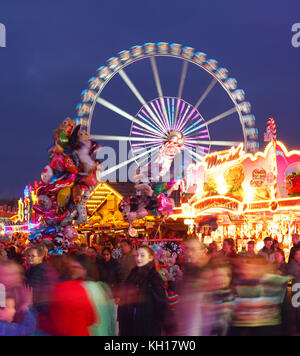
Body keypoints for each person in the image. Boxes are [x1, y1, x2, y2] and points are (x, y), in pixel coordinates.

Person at [118, 246, 167, 336]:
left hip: (147, 323)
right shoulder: (133, 273)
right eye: (137, 255)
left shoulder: (154, 277)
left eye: (142, 255)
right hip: (130, 321)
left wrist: (164, 324)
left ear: (150, 258)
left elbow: (161, 302)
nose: (139, 258)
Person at [43, 254, 97, 336]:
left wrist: (38, 319)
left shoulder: (56, 291)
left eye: (49, 270)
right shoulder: (80, 287)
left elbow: (59, 327)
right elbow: (91, 318)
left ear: (56, 271)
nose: (46, 274)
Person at [25, 246, 48, 312]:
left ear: (40, 258)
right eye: (28, 256)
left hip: (38, 307)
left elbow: (31, 289)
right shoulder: (33, 268)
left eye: (33, 256)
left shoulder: (39, 270)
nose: (29, 258)